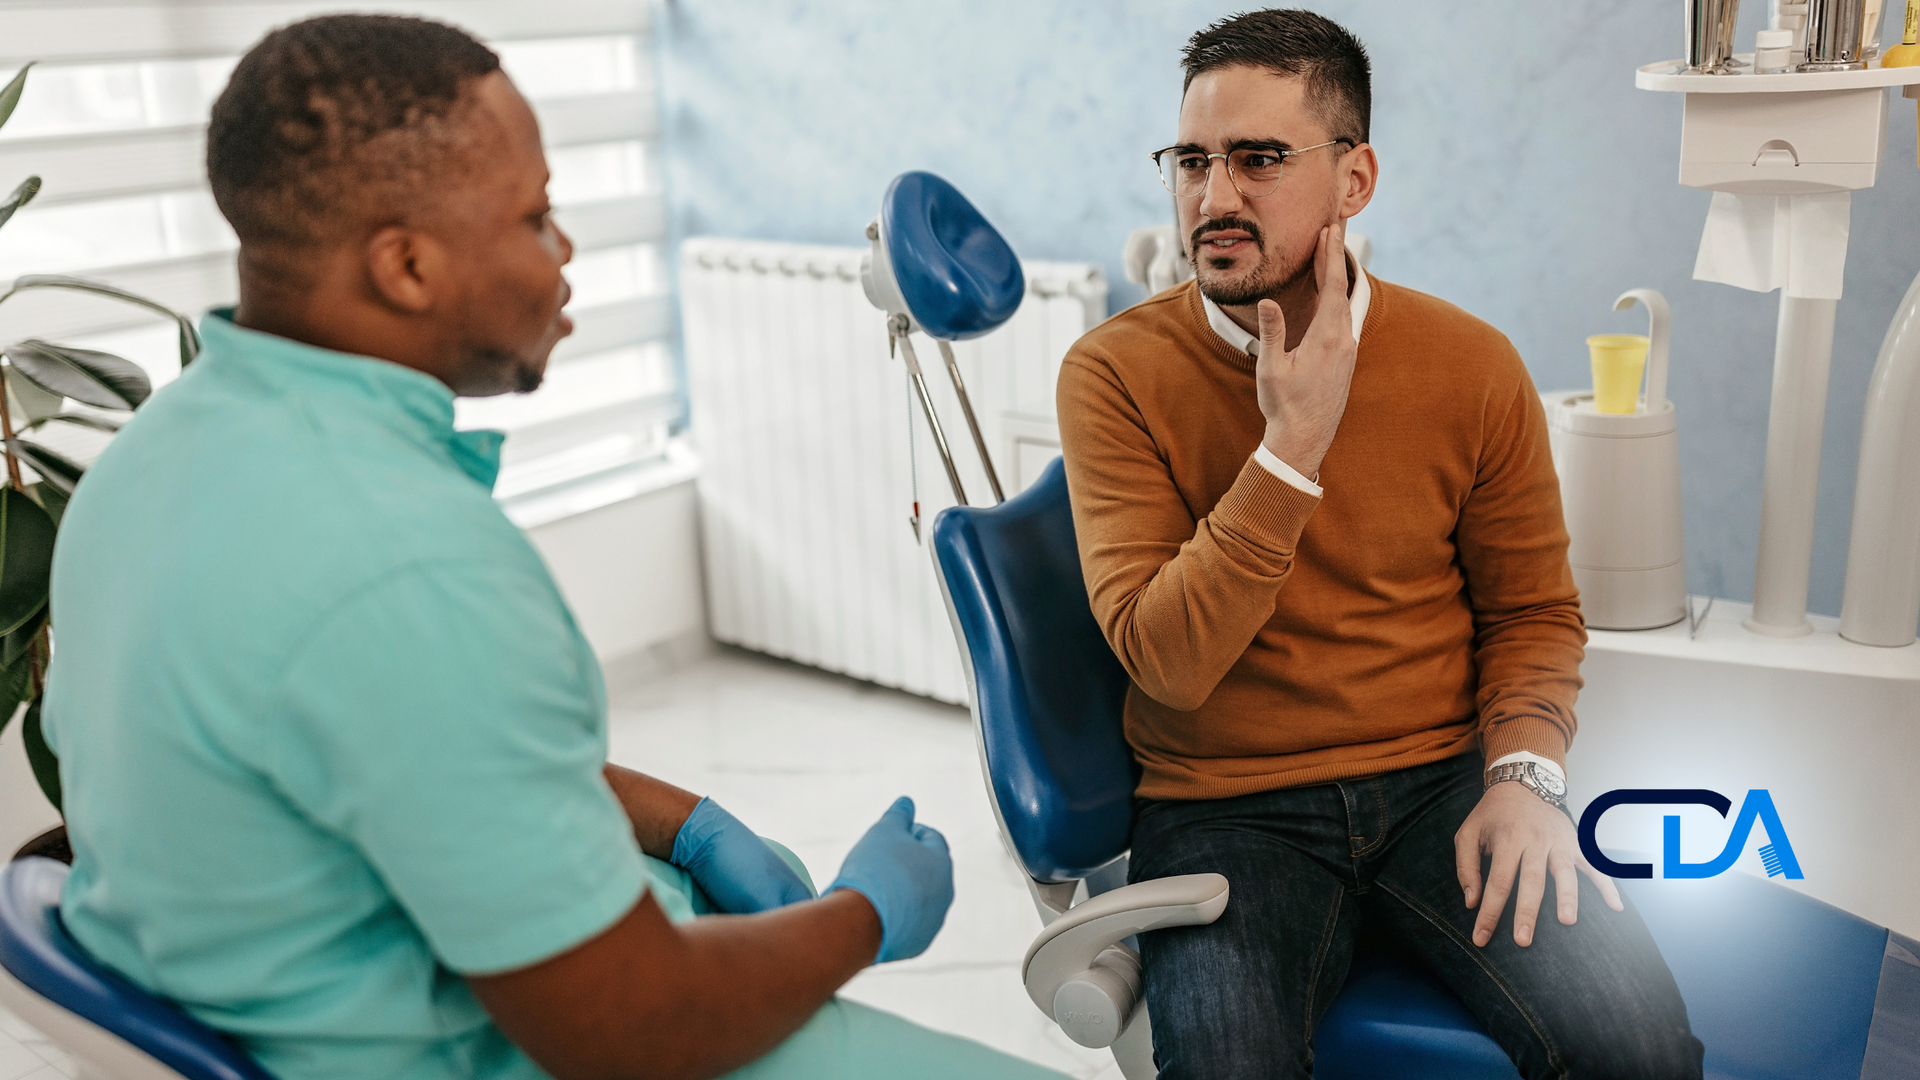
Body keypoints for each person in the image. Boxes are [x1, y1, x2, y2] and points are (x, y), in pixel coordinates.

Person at [42, 15, 1066, 1080]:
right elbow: (634, 1029)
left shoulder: (148, 456)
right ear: (405, 265)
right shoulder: (410, 567)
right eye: (535, 217)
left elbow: (406, 747)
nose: (565, 248)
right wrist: (864, 915)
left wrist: (687, 826)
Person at [1055, 10, 1703, 1079]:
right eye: (1192, 160)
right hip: (1223, 808)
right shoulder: (1112, 375)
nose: (1213, 199)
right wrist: (1290, 447)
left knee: (1641, 1047)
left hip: (1443, 786)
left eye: (1259, 159)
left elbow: (1531, 611)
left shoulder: (1470, 364)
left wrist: (1525, 779)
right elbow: (1166, 661)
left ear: (1353, 180)